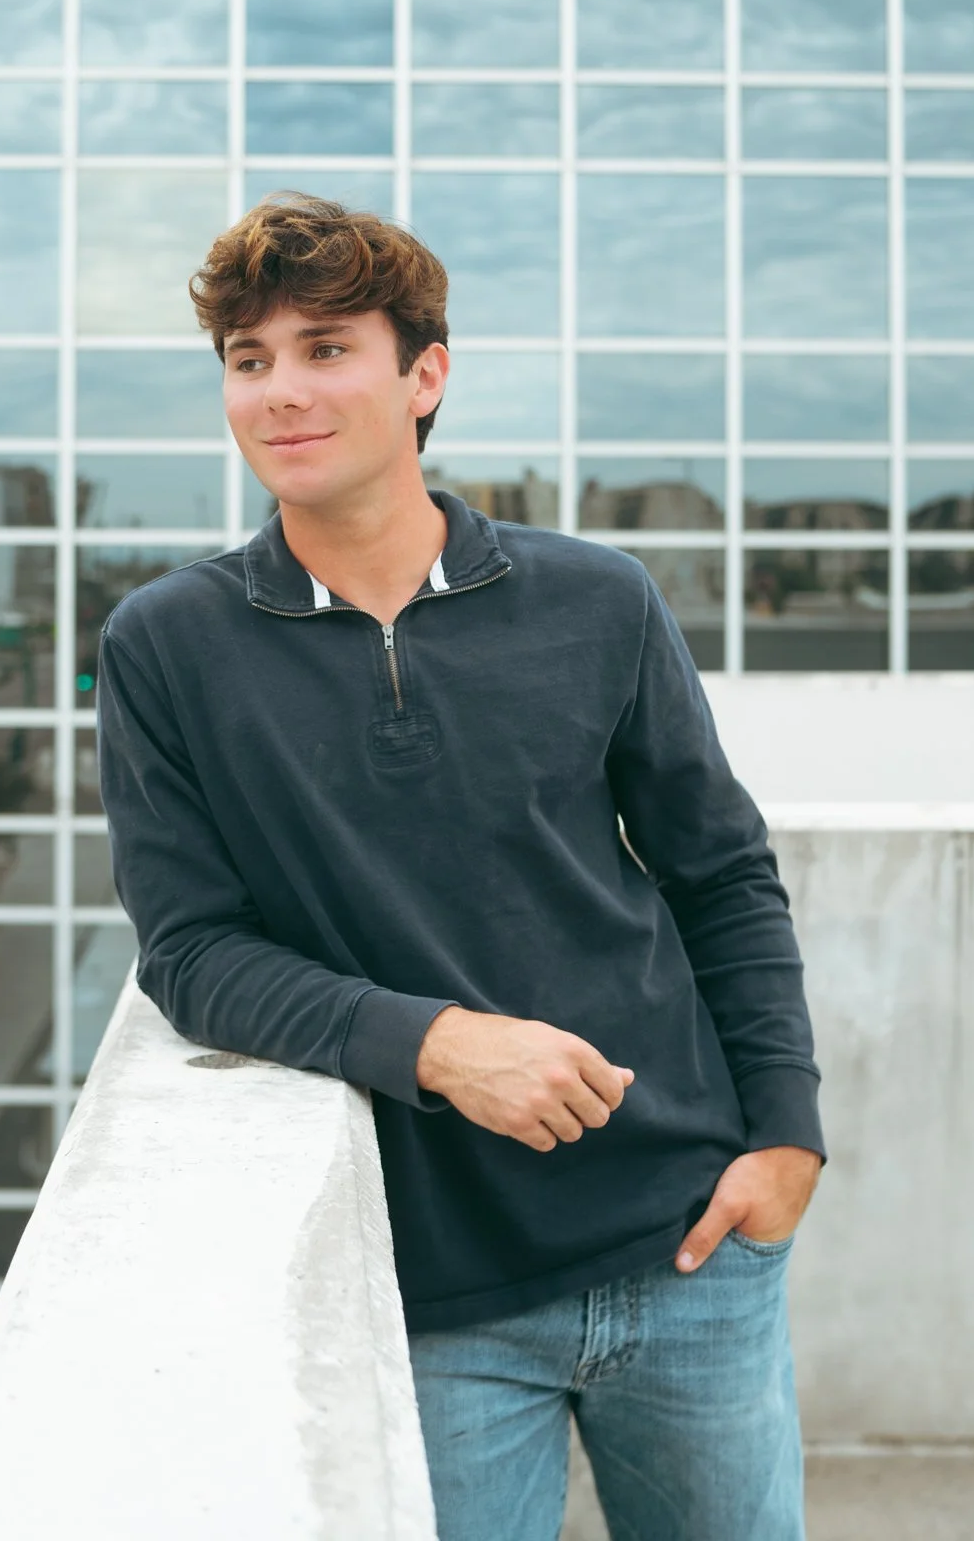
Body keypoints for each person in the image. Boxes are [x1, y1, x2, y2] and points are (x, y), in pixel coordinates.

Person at [97, 194, 824, 1541]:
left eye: (325, 349)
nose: (281, 393)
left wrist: (784, 1135)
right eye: (248, 361)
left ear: (424, 375)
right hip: (430, 1295)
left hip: (690, 1248)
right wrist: (435, 1044)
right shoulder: (166, 646)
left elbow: (721, 877)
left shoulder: (597, 601)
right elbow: (191, 953)